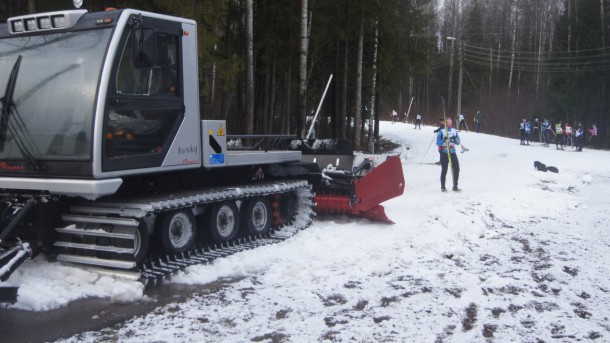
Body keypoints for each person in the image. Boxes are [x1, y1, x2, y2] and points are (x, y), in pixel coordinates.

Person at [436, 118, 461, 192]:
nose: (449, 124)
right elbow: (438, 143)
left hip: (452, 152)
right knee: (444, 170)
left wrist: (455, 139)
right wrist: (443, 139)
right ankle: (443, 187)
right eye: (448, 122)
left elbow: (458, 142)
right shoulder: (442, 131)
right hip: (444, 153)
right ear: (445, 123)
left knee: (456, 169)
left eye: (450, 122)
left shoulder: (454, 131)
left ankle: (455, 186)